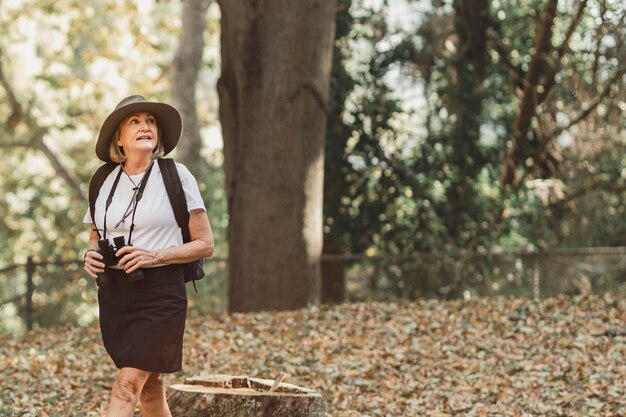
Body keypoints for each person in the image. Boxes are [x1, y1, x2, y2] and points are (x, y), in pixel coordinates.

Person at [82, 95, 214, 417]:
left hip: (160, 293)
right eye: (135, 121)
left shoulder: (176, 176)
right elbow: (94, 236)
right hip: (116, 294)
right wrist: (89, 256)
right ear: (119, 138)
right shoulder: (103, 180)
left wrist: (153, 256)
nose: (146, 127)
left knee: (126, 385)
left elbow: (205, 244)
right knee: (151, 393)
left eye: (151, 121)